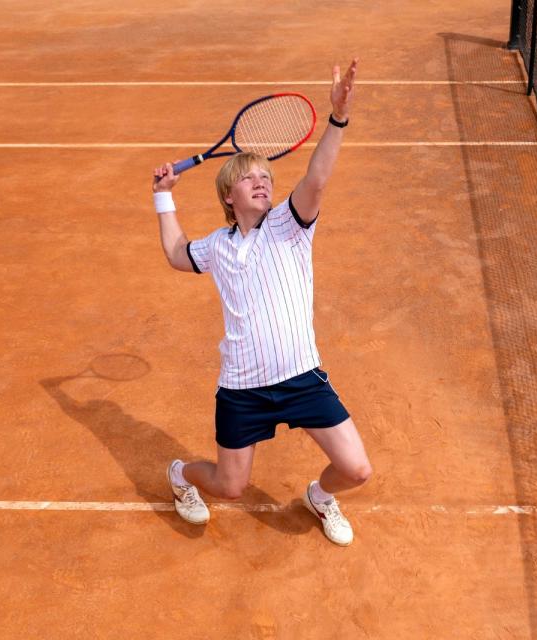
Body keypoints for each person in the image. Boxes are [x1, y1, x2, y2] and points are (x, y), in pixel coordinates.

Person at [150, 59, 371, 546]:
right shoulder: (216, 246)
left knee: (356, 470)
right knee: (230, 487)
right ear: (229, 195)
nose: (262, 182)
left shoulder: (289, 227)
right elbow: (175, 253)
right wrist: (163, 196)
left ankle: (320, 496)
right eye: (249, 178)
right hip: (243, 387)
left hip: (300, 377)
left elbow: (314, 181)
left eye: (266, 177)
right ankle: (181, 475)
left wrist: (338, 118)